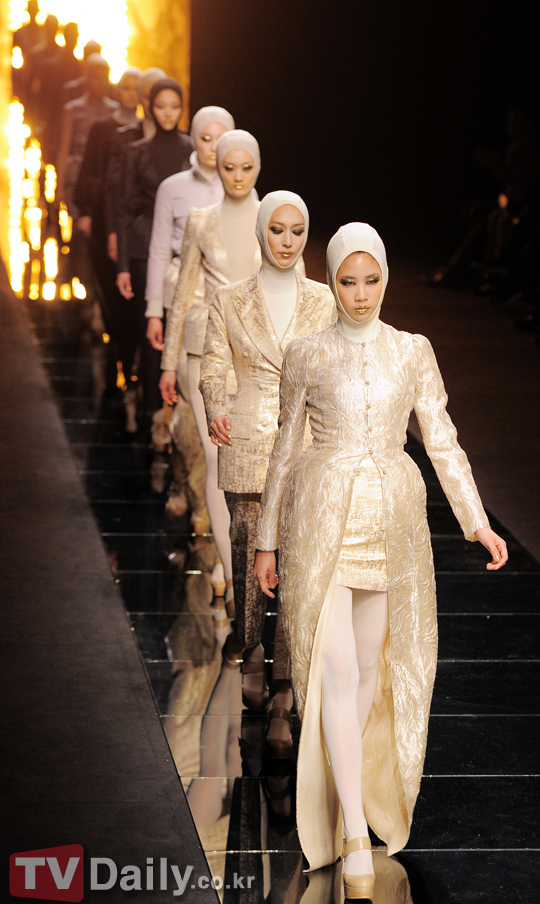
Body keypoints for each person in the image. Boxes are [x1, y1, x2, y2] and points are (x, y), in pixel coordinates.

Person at [254, 222, 508, 898]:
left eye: (371, 281)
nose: (361, 294)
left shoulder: (411, 350)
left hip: (393, 524)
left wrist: (476, 521)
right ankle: (353, 834)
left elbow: (442, 437)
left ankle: (350, 804)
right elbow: (284, 448)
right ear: (331, 280)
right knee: (336, 671)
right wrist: (266, 539)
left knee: (367, 673)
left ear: (386, 278)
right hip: (322, 522)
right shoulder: (306, 353)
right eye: (347, 281)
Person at [199, 191, 335, 746]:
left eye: (297, 231)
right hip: (249, 440)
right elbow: (214, 364)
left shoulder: (324, 300)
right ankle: (251, 647)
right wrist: (216, 405)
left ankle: (285, 679)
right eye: (277, 230)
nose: (287, 241)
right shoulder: (229, 299)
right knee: (248, 548)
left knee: (299, 561)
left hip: (307, 445)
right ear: (261, 232)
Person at [160, 129, 263, 623]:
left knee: (259, 473)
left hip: (262, 359)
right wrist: (168, 362)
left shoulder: (275, 217)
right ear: (216, 167)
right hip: (206, 356)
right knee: (222, 466)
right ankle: (234, 575)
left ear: (258, 167)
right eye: (229, 168)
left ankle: (244, 564)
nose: (238, 177)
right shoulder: (201, 220)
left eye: (247, 168)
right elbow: (182, 294)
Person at [145, 105, 235, 515]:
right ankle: (188, 488)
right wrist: (154, 310)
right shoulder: (173, 188)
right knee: (186, 395)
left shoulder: (244, 188)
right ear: (194, 139)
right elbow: (159, 249)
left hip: (227, 307)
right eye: (205, 138)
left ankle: (201, 492)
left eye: (221, 138)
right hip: (185, 303)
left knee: (220, 403)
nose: (213, 147)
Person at [115, 77, 192, 422]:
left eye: (174, 106)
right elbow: (124, 209)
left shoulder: (192, 149)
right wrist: (123, 265)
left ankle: (179, 405)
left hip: (184, 246)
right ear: (150, 107)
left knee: (183, 323)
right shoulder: (136, 152)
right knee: (152, 325)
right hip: (145, 247)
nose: (167, 113)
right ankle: (153, 411)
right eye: (161, 106)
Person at [73, 68, 142, 405]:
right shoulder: (103, 129)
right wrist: (85, 211)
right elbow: (89, 170)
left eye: (136, 88)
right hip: (103, 220)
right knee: (109, 293)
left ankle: (128, 361)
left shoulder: (145, 131)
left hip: (132, 224)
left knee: (130, 298)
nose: (131, 93)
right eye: (126, 87)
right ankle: (119, 357)